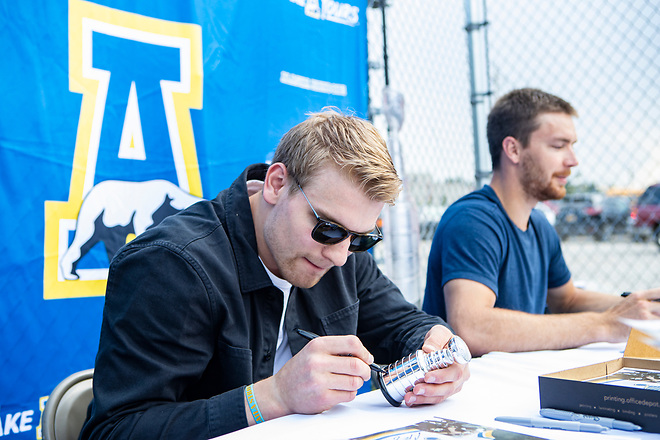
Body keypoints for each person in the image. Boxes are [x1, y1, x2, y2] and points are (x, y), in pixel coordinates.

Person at [80, 109, 469, 439]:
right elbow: (116, 429)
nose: (338, 256)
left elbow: (402, 323)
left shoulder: (342, 251)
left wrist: (436, 348)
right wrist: (274, 396)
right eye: (328, 229)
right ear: (276, 183)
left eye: (361, 238)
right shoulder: (171, 265)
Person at [422, 88, 660, 357]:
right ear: (513, 149)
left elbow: (567, 300)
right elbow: (472, 327)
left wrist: (640, 307)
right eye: (558, 146)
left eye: (572, 146)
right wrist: (604, 324)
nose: (572, 160)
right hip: (469, 393)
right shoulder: (473, 220)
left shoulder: (539, 224)